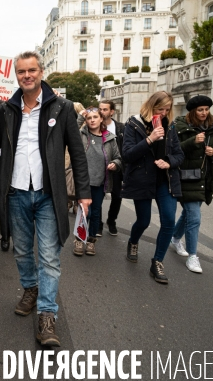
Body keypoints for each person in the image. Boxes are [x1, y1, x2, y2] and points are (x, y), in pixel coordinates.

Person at [0, 51, 91, 347]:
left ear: (41, 72)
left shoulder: (61, 108)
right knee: (23, 252)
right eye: (22, 71)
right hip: (16, 193)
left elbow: (77, 152)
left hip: (48, 194)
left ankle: (47, 315)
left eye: (32, 70)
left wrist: (84, 194)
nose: (27, 75)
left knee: (50, 257)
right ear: (16, 75)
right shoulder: (6, 110)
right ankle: (30, 288)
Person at [121, 91, 184, 284]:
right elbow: (128, 154)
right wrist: (149, 139)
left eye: (167, 109)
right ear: (151, 106)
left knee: (168, 222)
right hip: (142, 179)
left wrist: (169, 162)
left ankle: (157, 261)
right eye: (160, 109)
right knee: (144, 220)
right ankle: (133, 241)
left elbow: (179, 155)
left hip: (165, 180)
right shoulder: (134, 124)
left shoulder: (170, 126)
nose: (164, 113)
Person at [170, 95, 213, 273]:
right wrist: (192, 142)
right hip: (185, 177)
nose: (204, 113)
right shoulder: (179, 126)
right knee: (194, 217)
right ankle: (193, 257)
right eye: (200, 110)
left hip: (205, 178)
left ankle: (175, 238)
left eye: (206, 109)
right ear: (192, 111)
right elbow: (172, 149)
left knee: (189, 214)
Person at [74, 107, 122, 256]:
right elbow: (72, 130)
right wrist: (81, 117)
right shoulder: (82, 135)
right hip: (83, 181)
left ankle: (91, 240)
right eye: (89, 118)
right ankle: (79, 239)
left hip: (100, 182)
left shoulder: (110, 138)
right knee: (84, 212)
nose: (92, 120)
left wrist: (115, 163)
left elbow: (118, 157)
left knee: (95, 213)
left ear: (101, 119)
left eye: (95, 117)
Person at [99, 100, 125, 236]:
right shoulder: (94, 125)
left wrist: (119, 164)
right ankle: (97, 223)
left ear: (112, 112)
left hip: (116, 167)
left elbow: (124, 148)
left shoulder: (120, 127)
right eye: (100, 109)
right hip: (98, 167)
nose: (102, 112)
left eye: (105, 109)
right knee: (97, 197)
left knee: (117, 196)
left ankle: (111, 220)